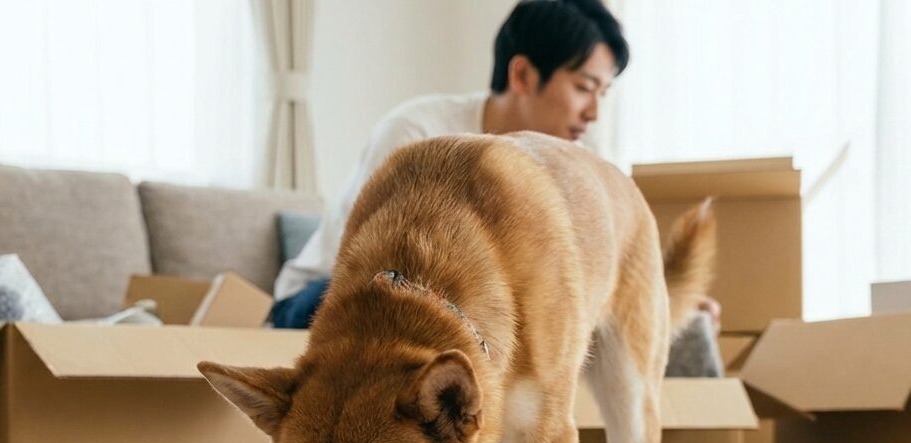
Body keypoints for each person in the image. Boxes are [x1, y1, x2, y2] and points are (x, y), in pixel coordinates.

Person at [274, 0, 672, 328]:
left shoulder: (570, 168)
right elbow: (385, 272)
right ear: (522, 75)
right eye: (584, 88)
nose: (593, 113)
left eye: (603, 93)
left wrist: (654, 299)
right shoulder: (417, 132)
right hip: (328, 295)